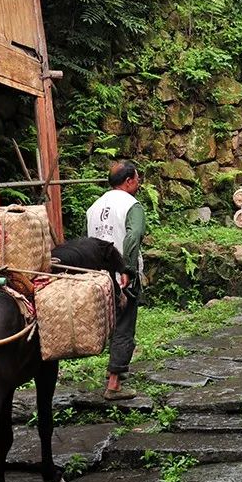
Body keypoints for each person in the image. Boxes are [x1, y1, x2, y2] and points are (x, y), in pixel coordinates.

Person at [86, 159, 146, 398]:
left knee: (113, 323)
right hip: (122, 276)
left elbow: (87, 241)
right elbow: (133, 237)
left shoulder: (94, 206)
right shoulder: (132, 205)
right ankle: (114, 384)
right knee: (124, 324)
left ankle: (115, 371)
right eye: (138, 179)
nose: (139, 184)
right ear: (129, 181)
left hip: (100, 276)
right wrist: (128, 269)